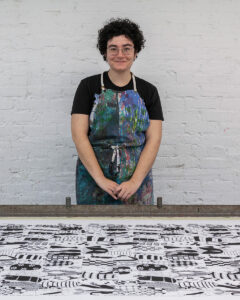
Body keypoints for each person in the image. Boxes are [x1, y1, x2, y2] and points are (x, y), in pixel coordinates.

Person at [71, 18, 164, 205]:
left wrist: (135, 182)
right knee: (94, 229)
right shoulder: (88, 86)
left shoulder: (149, 91)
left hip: (136, 180)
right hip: (93, 179)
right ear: (105, 53)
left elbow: (154, 139)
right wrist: (100, 179)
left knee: (137, 231)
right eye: (113, 48)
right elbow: (78, 135)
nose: (120, 54)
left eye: (127, 48)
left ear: (135, 52)